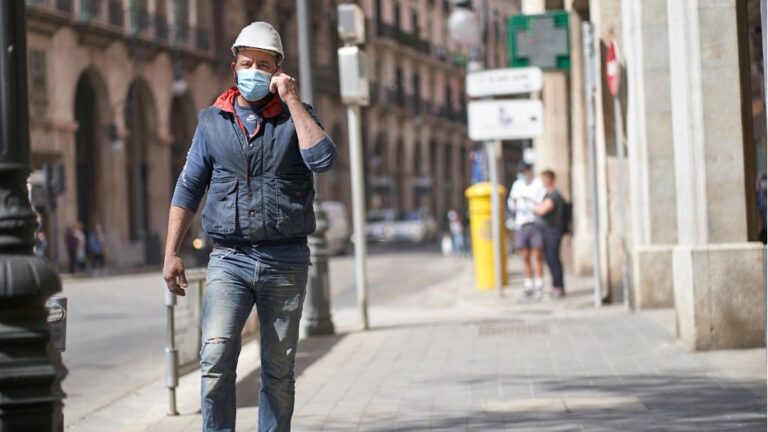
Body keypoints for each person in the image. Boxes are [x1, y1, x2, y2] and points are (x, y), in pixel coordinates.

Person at [162, 22, 337, 432]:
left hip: (285, 260)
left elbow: (323, 160)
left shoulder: (298, 118)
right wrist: (171, 252)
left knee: (278, 372)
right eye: (247, 63)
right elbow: (189, 186)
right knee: (215, 361)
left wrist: (293, 100)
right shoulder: (210, 122)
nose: (253, 71)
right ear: (233, 66)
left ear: (278, 71)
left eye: (264, 64)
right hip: (229, 259)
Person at [508, 163, 546, 297]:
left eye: (525, 171)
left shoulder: (538, 184)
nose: (523, 174)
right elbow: (512, 203)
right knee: (525, 255)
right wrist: (516, 203)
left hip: (535, 222)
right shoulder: (517, 185)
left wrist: (528, 201)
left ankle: (539, 284)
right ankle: (528, 284)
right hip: (521, 224)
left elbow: (541, 201)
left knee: (538, 255)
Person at [535, 170, 567, 298]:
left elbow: (542, 210)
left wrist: (533, 208)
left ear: (550, 179)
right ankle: (556, 285)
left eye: (544, 179)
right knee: (550, 258)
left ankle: (558, 286)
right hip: (549, 230)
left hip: (553, 231)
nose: (542, 182)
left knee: (553, 258)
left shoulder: (554, 196)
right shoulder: (548, 195)